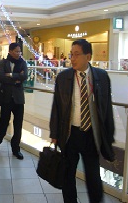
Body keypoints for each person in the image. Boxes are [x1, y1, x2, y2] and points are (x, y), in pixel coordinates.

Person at [49, 39, 116, 203]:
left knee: (93, 175)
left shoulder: (101, 77)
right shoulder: (63, 77)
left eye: (76, 54)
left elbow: (106, 108)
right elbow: (57, 107)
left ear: (88, 56)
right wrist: (55, 133)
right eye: (71, 54)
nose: (72, 58)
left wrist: (109, 133)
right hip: (70, 133)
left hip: (91, 134)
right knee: (68, 174)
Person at [0, 43, 28, 160]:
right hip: (6, 98)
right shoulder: (3, 63)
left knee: (18, 125)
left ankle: (16, 149)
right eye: (17, 51)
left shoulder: (23, 63)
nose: (19, 54)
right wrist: (16, 78)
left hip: (19, 99)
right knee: (3, 122)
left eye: (20, 52)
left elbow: (25, 77)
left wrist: (11, 75)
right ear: (10, 51)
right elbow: (2, 77)